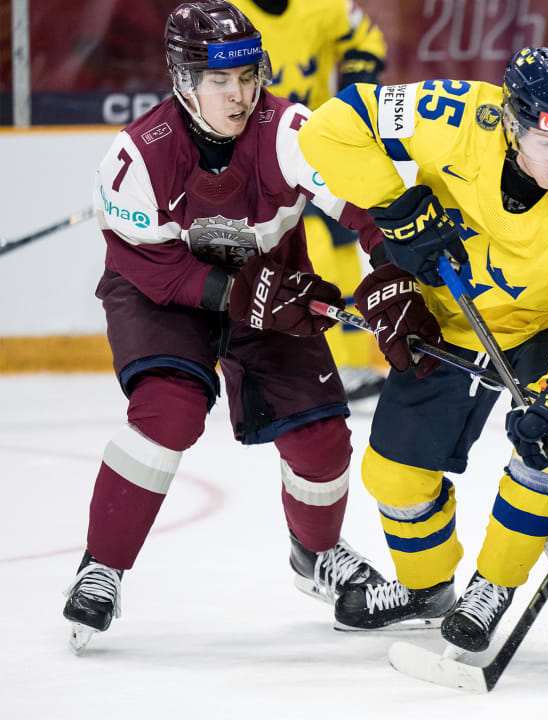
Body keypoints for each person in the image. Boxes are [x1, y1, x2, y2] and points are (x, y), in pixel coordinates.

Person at [297, 45, 548, 651]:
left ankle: (494, 586)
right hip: (450, 319)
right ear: (512, 120)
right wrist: (396, 205)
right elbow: (331, 128)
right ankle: (427, 589)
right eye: (547, 139)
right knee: (396, 472)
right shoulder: (454, 114)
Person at [63, 1, 388, 653]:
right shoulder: (139, 156)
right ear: (185, 83)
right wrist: (232, 294)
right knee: (168, 412)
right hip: (164, 293)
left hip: (270, 279)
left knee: (322, 436)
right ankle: (102, 566)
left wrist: (395, 265)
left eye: (248, 76)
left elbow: (362, 202)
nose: (240, 95)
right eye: (221, 82)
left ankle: (317, 555)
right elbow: (150, 266)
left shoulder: (292, 128)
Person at [230, 0, 389, 400]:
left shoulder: (324, 5)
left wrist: (358, 72)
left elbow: (367, 36)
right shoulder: (230, 15)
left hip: (316, 147)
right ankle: (306, 363)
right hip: (257, 156)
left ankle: (349, 364)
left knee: (342, 256)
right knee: (309, 250)